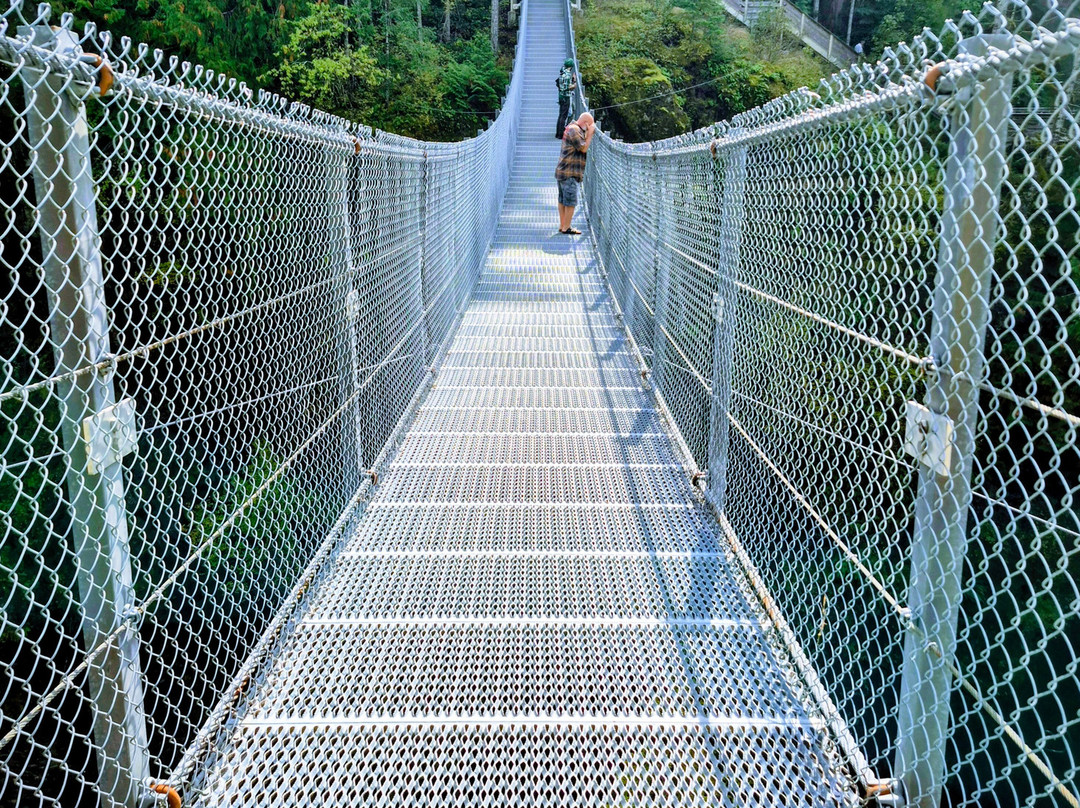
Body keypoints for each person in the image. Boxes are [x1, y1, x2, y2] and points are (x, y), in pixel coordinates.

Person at [555, 112, 595, 235]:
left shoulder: (572, 127)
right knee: (570, 201)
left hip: (563, 171)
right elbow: (583, 148)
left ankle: (563, 225)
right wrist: (590, 134)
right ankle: (566, 227)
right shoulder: (574, 130)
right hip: (569, 173)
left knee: (562, 199)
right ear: (586, 124)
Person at [555, 59, 577, 139]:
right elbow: (567, 87)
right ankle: (561, 134)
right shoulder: (567, 75)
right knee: (564, 115)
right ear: (571, 66)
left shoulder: (562, 72)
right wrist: (574, 84)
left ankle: (558, 133)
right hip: (566, 97)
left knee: (561, 114)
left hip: (561, 96)